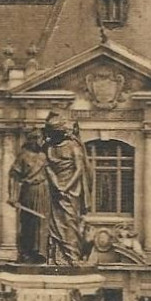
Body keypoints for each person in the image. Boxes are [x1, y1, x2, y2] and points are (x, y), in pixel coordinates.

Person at [43, 111, 93, 267]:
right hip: (54, 191)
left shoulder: (73, 147)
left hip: (71, 191)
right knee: (55, 225)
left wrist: (66, 186)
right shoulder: (48, 148)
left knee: (70, 223)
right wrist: (56, 184)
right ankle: (57, 257)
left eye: (55, 133)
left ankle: (72, 256)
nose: (52, 136)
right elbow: (47, 167)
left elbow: (79, 169)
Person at [8, 128, 51, 264]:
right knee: (28, 222)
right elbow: (13, 176)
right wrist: (13, 196)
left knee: (43, 223)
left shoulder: (46, 155)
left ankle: (42, 252)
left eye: (40, 138)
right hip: (29, 191)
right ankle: (27, 252)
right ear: (31, 140)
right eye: (36, 138)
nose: (39, 141)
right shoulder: (23, 155)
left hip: (44, 191)